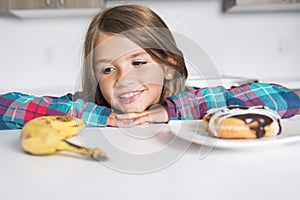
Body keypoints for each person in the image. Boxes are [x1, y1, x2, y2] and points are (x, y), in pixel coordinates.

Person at [0, 5, 299, 130]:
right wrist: (106, 119)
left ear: (168, 65)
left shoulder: (197, 103)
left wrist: (169, 111)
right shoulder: (86, 107)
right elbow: (4, 107)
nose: (124, 79)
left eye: (139, 62)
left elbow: (284, 98)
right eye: (107, 69)